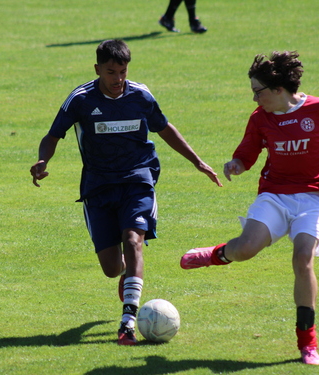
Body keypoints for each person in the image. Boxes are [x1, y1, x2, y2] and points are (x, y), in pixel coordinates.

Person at [30, 39, 222, 345]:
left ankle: (127, 322)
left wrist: (197, 161)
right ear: (98, 69)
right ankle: (126, 276)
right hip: (98, 186)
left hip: (138, 180)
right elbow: (53, 136)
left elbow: (165, 128)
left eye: (122, 71)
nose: (118, 78)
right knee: (111, 268)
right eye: (111, 72)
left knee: (133, 240)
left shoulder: (140, 95)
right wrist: (43, 160)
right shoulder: (80, 99)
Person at [180, 51, 319, 365]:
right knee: (247, 248)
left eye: (258, 92)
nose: (255, 99)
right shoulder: (260, 118)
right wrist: (236, 164)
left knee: (303, 257)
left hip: (313, 197)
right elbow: (247, 154)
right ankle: (218, 254)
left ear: (279, 90)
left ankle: (308, 344)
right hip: (274, 195)